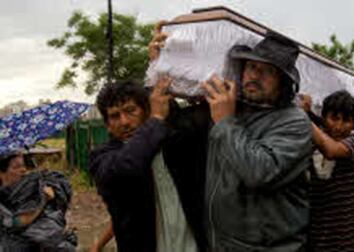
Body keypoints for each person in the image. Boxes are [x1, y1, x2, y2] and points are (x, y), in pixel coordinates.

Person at [201, 32, 313, 251]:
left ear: (283, 83)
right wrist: (159, 64)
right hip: (222, 244)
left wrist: (225, 122)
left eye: (268, 71)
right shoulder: (232, 110)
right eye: (252, 67)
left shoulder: (294, 121)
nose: (255, 75)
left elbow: (260, 171)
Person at [89, 76, 208, 252]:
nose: (124, 122)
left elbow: (199, 117)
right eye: (115, 116)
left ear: (145, 110)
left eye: (131, 110)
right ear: (107, 125)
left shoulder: (174, 141)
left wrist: (160, 71)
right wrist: (156, 119)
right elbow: (127, 167)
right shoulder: (103, 158)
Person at [309, 90, 354, 252]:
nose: (338, 126)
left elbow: (332, 151)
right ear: (323, 118)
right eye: (334, 118)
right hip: (320, 241)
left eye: (346, 120)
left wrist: (302, 116)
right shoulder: (313, 143)